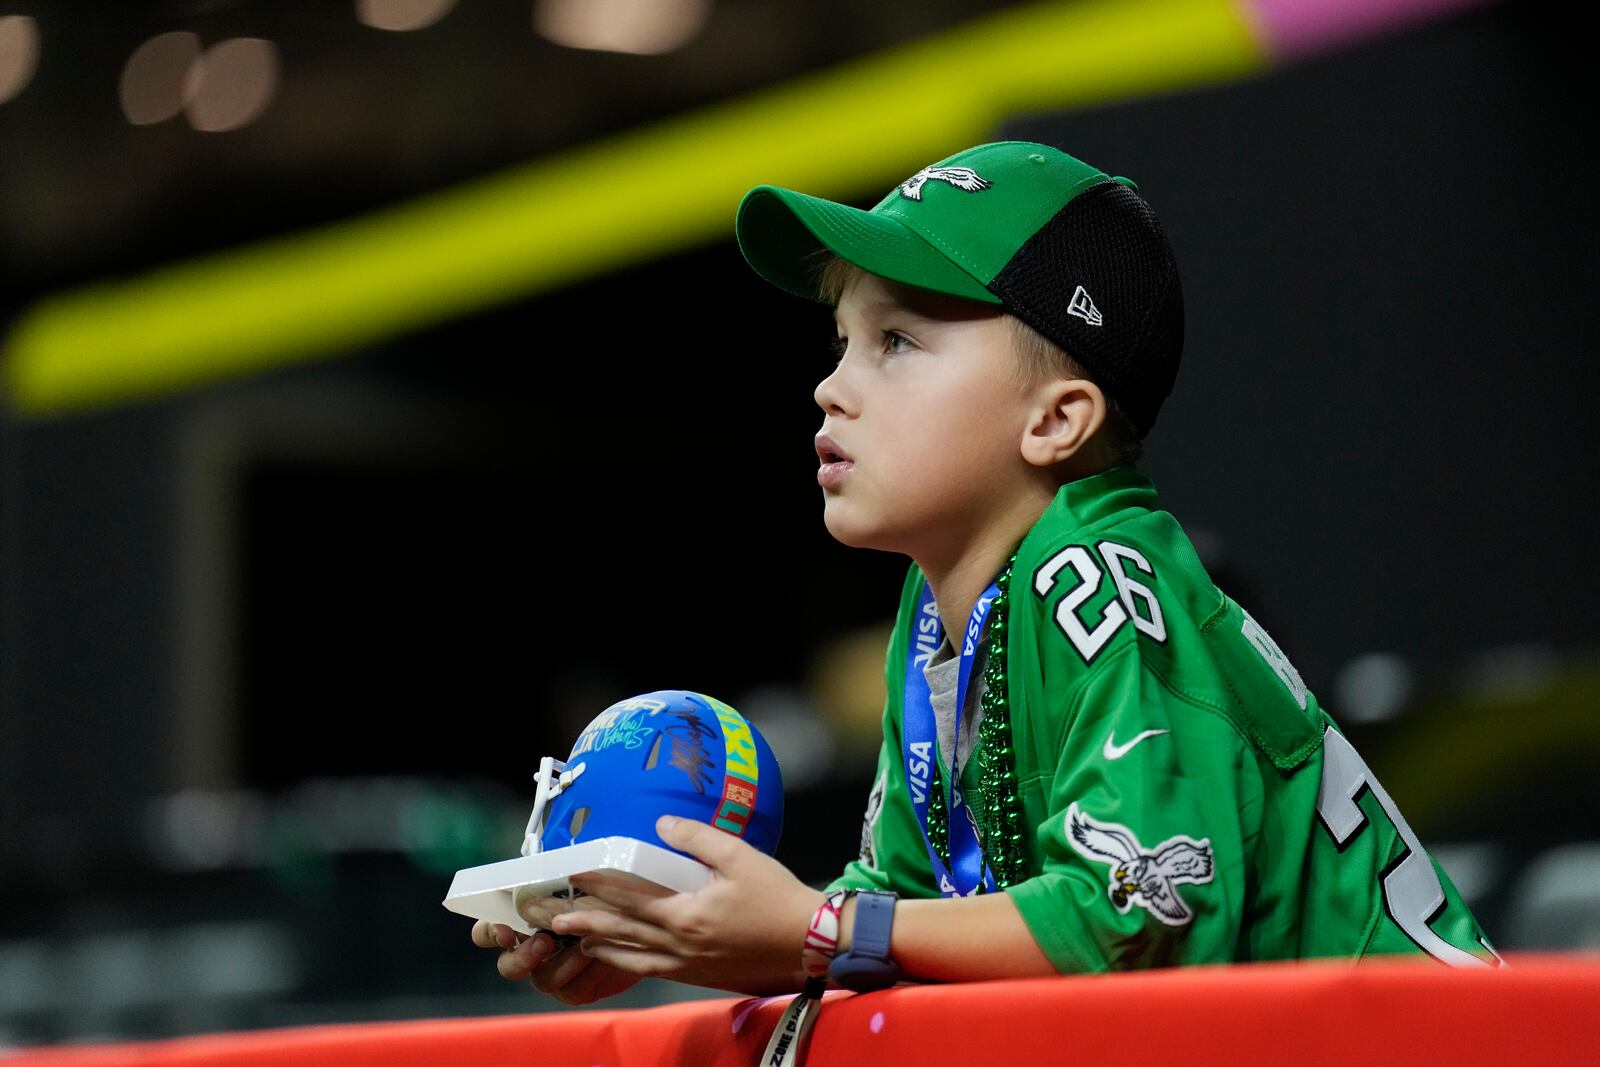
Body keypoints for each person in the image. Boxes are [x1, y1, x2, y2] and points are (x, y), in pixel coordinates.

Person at [469, 140, 1502, 1006]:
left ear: (1056, 420)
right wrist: (677, 938)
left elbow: (1138, 916)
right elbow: (906, 917)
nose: (831, 387)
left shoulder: (1096, 575)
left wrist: (815, 924)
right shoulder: (942, 607)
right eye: (842, 341)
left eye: (898, 341)